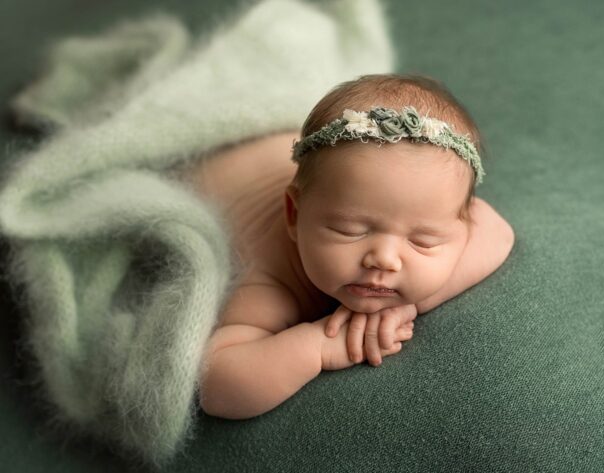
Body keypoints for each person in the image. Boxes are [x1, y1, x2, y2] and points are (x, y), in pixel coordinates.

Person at [193, 74, 515, 419]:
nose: (385, 260)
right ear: (294, 215)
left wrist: (409, 304)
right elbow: (217, 385)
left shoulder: (445, 218)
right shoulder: (274, 282)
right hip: (218, 160)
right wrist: (320, 344)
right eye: (349, 230)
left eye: (422, 240)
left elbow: (497, 230)